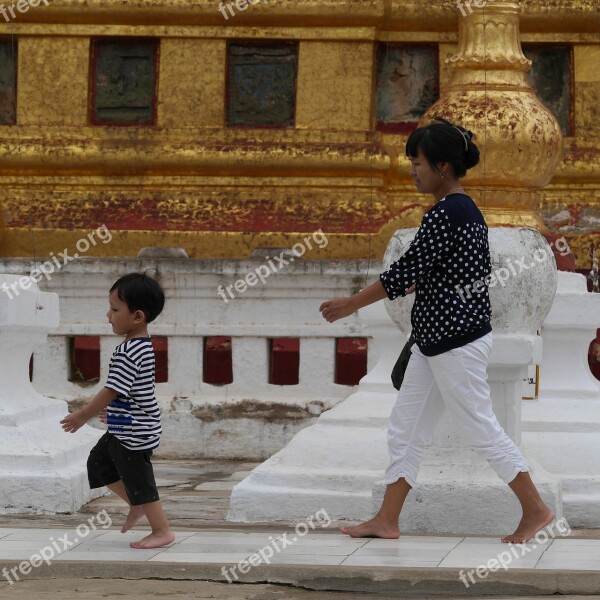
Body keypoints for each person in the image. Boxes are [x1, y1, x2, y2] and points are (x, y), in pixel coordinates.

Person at [319, 117, 554, 544]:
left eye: (418, 162)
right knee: (406, 427)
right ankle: (387, 519)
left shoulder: (451, 211)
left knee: (480, 426)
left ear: (443, 167)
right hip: (435, 343)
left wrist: (351, 303)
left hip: (456, 344)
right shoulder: (456, 211)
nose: (412, 170)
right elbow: (421, 274)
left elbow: (404, 271)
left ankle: (535, 509)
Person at [61, 272, 175, 549]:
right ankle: (136, 503)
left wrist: (82, 415)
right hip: (125, 427)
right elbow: (126, 390)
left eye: (114, 309)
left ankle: (161, 531)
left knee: (141, 481)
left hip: (135, 433)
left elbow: (112, 389)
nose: (108, 315)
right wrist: (113, 414)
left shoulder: (131, 351)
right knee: (98, 464)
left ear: (137, 316)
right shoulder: (135, 346)